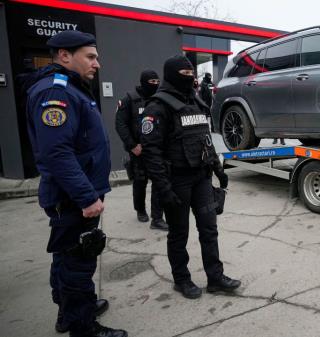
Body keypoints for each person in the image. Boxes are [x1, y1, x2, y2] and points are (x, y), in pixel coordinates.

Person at [24, 30, 127, 337]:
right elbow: (56, 153)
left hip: (75, 193)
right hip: (73, 197)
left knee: (66, 256)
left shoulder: (71, 88)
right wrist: (86, 197)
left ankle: (68, 312)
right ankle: (83, 327)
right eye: (90, 56)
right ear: (65, 56)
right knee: (79, 262)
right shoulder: (56, 92)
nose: (97, 63)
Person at [141, 55, 241, 299]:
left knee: (209, 229)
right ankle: (181, 279)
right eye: (185, 75)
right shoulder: (158, 106)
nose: (191, 79)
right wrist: (163, 188)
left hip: (202, 177)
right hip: (177, 181)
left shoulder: (195, 102)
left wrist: (218, 169)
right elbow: (151, 152)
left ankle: (215, 278)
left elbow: (205, 139)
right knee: (179, 233)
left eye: (191, 74)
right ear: (173, 75)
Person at [115, 70, 168, 231]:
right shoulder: (129, 100)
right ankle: (140, 209)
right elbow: (120, 124)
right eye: (151, 82)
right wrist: (132, 145)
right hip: (138, 150)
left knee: (159, 182)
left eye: (157, 82)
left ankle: (157, 218)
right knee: (140, 181)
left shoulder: (159, 99)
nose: (155, 85)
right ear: (143, 82)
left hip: (156, 149)